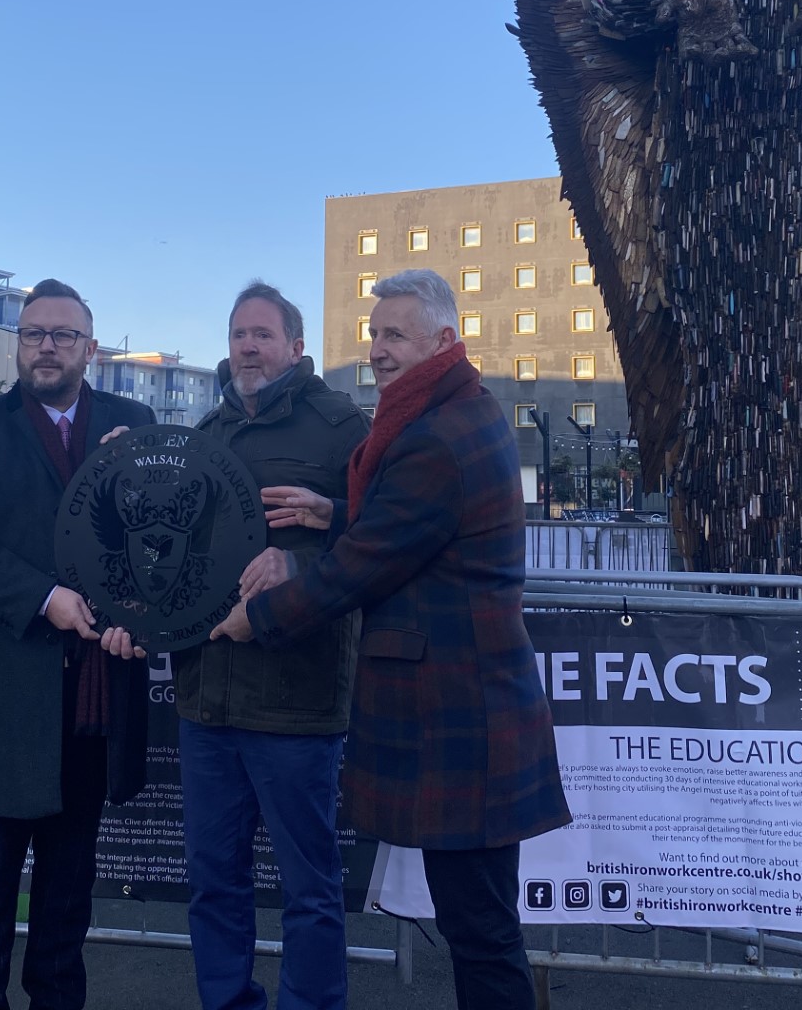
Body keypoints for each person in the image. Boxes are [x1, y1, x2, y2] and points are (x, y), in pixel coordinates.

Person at [213, 269, 570, 1009]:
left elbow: (362, 569)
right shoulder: (447, 414)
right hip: (471, 709)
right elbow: (406, 538)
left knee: (481, 931)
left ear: (443, 339)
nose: (378, 349)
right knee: (482, 925)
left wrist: (260, 618)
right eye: (374, 334)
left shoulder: (434, 436)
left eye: (395, 335)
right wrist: (337, 513)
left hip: (460, 713)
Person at [0, 279, 153, 1010]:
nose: (45, 346)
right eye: (33, 334)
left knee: (66, 897)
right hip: (3, 698)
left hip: (91, 699)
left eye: (61, 335)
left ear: (91, 348)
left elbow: (166, 538)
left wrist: (138, 484)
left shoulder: (135, 422)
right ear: (18, 345)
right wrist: (45, 599)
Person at [173, 282, 368, 1010]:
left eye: (262, 334)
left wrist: (302, 568)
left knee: (310, 888)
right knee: (213, 881)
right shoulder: (208, 432)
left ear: (296, 344)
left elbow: (386, 543)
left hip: (297, 704)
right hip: (207, 700)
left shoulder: (343, 427)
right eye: (237, 334)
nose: (247, 347)